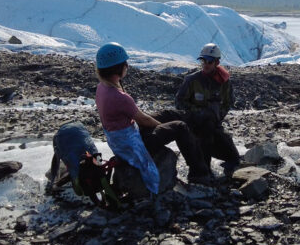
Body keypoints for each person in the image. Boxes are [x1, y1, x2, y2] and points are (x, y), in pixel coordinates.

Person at [94, 43, 212, 194]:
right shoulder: (119, 96)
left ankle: (195, 129)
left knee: (167, 114)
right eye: (125, 64)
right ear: (117, 68)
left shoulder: (102, 87)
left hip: (121, 138)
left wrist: (162, 124)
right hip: (132, 144)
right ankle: (199, 174)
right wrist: (162, 127)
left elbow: (137, 117)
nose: (127, 66)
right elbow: (144, 120)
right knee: (179, 126)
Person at [174, 43, 240, 178]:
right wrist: (198, 112)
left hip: (214, 124)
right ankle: (203, 171)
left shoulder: (224, 81)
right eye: (203, 60)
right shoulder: (192, 80)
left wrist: (218, 115)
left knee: (233, 157)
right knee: (205, 139)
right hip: (195, 124)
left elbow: (229, 102)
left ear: (217, 62)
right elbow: (179, 102)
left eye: (209, 61)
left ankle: (224, 172)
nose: (205, 64)